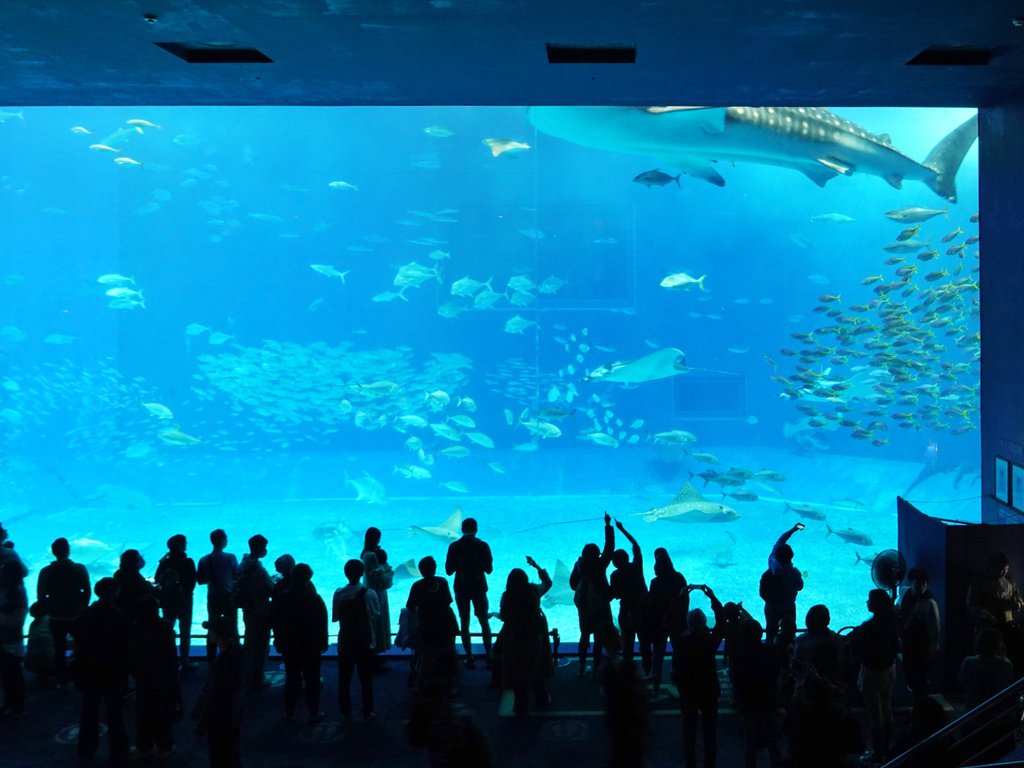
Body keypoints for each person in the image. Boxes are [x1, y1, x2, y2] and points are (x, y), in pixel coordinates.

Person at [69, 577, 130, 764]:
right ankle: (118, 752)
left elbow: (76, 637)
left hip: (89, 669)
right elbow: (125, 644)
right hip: (113, 670)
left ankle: (86, 749)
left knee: (89, 709)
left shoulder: (85, 614)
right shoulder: (120, 615)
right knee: (115, 712)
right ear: (115, 593)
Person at [672, 584, 726, 768]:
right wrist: (712, 597)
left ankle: (690, 764)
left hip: (688, 690)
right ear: (704, 624)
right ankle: (710, 764)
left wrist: (680, 598)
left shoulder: (680, 641)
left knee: (689, 730)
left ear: (688, 623)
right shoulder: (709, 642)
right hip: (709, 690)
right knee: (710, 731)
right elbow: (721, 623)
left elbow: (670, 621)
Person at [848, 588, 900, 765]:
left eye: (869, 600)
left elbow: (854, 644)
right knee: (887, 710)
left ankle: (877, 754)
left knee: (875, 715)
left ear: (876, 605)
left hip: (872, 673)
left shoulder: (868, 627)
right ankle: (887, 749)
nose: (867, 602)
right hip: (890, 668)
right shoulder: (892, 620)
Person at [498, 556, 553, 715]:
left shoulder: (507, 596)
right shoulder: (533, 591)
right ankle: (541, 699)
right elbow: (548, 583)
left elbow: (504, 617)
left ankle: (521, 705)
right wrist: (536, 566)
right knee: (537, 667)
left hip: (516, 638)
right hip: (534, 637)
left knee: (518, 670)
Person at [273, 562, 327, 723]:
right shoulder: (314, 598)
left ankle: (289, 712)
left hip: (290, 645)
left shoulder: (283, 597)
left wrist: (278, 640)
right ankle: (314, 712)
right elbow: (321, 623)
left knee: (291, 678)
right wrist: (323, 642)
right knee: (312, 680)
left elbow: (276, 621)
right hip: (310, 645)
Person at [130, 595, 180, 758]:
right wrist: (173, 672)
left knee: (143, 710)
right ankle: (165, 745)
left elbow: (131, 652)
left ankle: (144, 746)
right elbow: (171, 653)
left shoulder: (135, 627)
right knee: (161, 709)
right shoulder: (164, 626)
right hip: (161, 675)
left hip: (142, 675)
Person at [36, 537, 90, 682]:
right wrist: (82, 607)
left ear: (53, 552)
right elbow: (87, 590)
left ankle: (62, 680)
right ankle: (82, 675)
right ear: (68, 550)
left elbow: (41, 595)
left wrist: (50, 610)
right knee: (82, 645)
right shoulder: (79, 568)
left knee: (59, 649)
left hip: (56, 617)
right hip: (76, 615)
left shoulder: (45, 571)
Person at [729, 619, 781, 768]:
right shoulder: (771, 651)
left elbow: (735, 680)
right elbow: (776, 673)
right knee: (773, 742)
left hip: (748, 704)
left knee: (750, 743)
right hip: (769, 701)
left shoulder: (739, 656)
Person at [569, 512, 615, 679]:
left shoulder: (579, 564)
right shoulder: (600, 564)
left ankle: (582, 667)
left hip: (584, 605)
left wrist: (584, 592)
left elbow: (572, 584)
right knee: (599, 636)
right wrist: (608, 526)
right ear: (597, 555)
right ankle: (596, 670)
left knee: (584, 635)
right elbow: (609, 547)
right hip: (600, 605)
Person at [334, 558, 380, 723]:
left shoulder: (339, 593)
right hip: (365, 643)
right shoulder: (369, 593)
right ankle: (368, 712)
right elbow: (375, 616)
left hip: (345, 642)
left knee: (344, 678)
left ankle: (345, 712)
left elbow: (336, 617)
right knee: (366, 679)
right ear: (362, 574)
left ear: (345, 574)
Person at [195, 616, 244, 768]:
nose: (209, 633)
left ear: (217, 636)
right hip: (232, 714)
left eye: (211, 631)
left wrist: (203, 723)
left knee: (219, 753)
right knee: (231, 751)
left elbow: (216, 695)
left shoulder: (224, 662)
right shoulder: (238, 652)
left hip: (221, 718)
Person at [445, 517, 493, 668]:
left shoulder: (454, 546)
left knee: (464, 622)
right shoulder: (483, 545)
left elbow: (449, 571)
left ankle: (470, 657)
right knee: (484, 621)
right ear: (476, 529)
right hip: (479, 587)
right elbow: (489, 570)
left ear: (462, 530)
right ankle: (489, 656)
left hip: (461, 588)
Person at [966, 551, 1024, 673]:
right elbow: (971, 604)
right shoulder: (979, 582)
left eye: (1006, 569)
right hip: (988, 626)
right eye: (1000, 569)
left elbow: (1018, 598)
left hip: (1008, 624)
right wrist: (986, 614)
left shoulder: (1010, 583)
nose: (1003, 572)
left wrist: (1018, 604)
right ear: (991, 567)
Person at [407, 556, 458, 691]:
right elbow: (448, 601)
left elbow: (410, 606)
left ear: (421, 571)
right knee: (448, 654)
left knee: (427, 655)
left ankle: (422, 684)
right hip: (447, 623)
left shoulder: (417, 586)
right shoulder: (442, 581)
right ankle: (451, 684)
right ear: (435, 568)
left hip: (427, 626)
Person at [645, 548, 687, 695]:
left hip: (660, 623)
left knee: (658, 653)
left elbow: (652, 603)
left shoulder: (655, 582)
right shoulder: (679, 578)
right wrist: (683, 617)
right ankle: (677, 680)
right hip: (677, 621)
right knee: (678, 650)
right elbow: (685, 599)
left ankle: (656, 684)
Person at [236, 534, 274, 692]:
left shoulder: (243, 563)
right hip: (260, 611)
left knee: (249, 643)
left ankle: (246, 675)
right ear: (258, 548)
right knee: (260, 645)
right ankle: (257, 678)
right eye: (264, 547)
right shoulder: (258, 570)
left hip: (248, 610)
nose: (266, 550)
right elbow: (270, 589)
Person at [155, 533, 197, 670]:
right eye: (185, 542)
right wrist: (186, 595)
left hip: (167, 601)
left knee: (167, 630)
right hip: (185, 601)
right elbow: (192, 581)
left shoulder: (165, 563)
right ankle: (185, 661)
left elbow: (157, 579)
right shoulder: (188, 561)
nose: (186, 544)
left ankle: (168, 660)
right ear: (180, 546)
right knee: (185, 631)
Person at [196, 529, 239, 665]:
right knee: (232, 627)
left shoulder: (204, 559)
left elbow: (201, 581)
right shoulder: (230, 557)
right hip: (228, 597)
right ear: (221, 541)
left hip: (213, 598)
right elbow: (236, 576)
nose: (227, 540)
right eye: (226, 538)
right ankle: (234, 656)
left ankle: (211, 658)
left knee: (213, 627)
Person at [609, 519, 648, 667]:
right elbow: (636, 546)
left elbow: (616, 595)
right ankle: (647, 671)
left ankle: (627, 673)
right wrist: (622, 529)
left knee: (627, 646)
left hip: (626, 611)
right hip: (642, 611)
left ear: (615, 563)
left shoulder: (615, 575)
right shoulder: (636, 567)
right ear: (627, 558)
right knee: (644, 644)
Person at [899, 566, 941, 697]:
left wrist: (934, 646)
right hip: (907, 642)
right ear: (911, 583)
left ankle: (921, 699)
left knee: (920, 675)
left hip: (921, 646)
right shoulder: (905, 594)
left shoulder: (929, 603)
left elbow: (935, 627)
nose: (922, 586)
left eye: (924, 583)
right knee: (909, 672)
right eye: (918, 583)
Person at [762, 524, 804, 649]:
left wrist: (792, 530)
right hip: (788, 607)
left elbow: (780, 542)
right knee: (789, 633)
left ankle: (770, 654)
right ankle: (789, 655)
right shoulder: (794, 573)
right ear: (791, 557)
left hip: (771, 607)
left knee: (771, 631)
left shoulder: (771, 565)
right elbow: (800, 586)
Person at [792, 603, 846, 689]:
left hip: (806, 686)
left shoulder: (800, 641)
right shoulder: (835, 639)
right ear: (827, 620)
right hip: (833, 685)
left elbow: (796, 665)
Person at [959, 626, 1014, 709]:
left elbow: (961, 682)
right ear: (999, 644)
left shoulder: (968, 661)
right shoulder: (1006, 664)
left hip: (971, 709)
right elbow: (1005, 690)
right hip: (995, 709)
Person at [0, 559, 28, 717]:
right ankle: (9, 703)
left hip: (12, 638)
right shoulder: (6, 589)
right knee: (6, 673)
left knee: (14, 673)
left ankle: (17, 706)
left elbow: (16, 619)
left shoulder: (18, 591)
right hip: (4, 638)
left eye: (3, 571)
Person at [361, 527, 394, 659]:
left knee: (372, 623)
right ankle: (374, 654)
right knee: (377, 622)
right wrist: (390, 572)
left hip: (369, 590)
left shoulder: (364, 553)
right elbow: (383, 580)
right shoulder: (373, 555)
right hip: (377, 593)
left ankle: (373, 654)